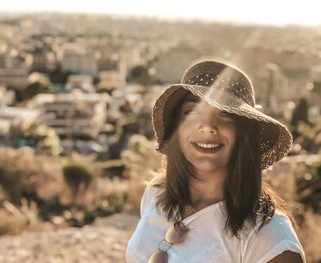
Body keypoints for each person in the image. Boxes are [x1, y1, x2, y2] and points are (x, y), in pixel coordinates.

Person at [126, 59, 306, 263]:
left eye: (225, 114)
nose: (207, 126)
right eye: (192, 112)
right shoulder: (157, 193)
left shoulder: (272, 240)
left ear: (244, 133)